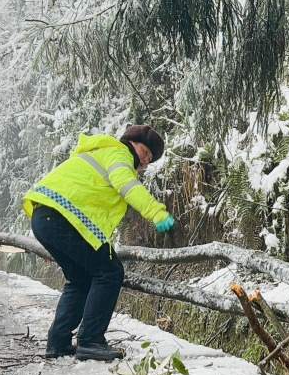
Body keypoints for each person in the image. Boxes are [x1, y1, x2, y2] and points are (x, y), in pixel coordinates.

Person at [23, 124, 175, 361]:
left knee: (80, 278)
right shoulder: (118, 153)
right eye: (145, 154)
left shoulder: (100, 152)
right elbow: (127, 187)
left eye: (149, 160)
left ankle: (58, 342)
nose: (144, 163)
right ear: (133, 143)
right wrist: (156, 212)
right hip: (64, 218)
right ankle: (91, 340)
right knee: (109, 271)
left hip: (46, 217)